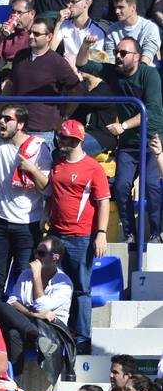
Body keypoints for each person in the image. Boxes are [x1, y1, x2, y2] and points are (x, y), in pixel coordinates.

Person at [0, 84, 51, 308]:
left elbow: (48, 188)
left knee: (23, 282)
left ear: (21, 124)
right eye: (0, 118)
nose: (1, 122)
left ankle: (17, 334)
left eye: (8, 119)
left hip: (28, 225)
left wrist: (32, 170)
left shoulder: (40, 148)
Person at [75, 38, 160, 248]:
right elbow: (82, 64)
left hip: (153, 141)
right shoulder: (114, 71)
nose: (118, 57)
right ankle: (130, 233)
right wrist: (85, 45)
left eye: (123, 53)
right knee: (121, 186)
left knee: (152, 185)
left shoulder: (149, 75)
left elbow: (148, 111)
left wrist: (123, 126)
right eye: (116, 52)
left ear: (137, 57)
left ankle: (156, 232)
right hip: (129, 144)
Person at [0, 235, 74, 378]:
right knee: (1, 308)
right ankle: (15, 381)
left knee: (13, 331)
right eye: (36, 252)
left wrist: (36, 275)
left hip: (51, 331)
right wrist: (34, 315)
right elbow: (12, 301)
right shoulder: (26, 274)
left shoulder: (64, 283)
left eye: (41, 253)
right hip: (31, 327)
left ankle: (14, 381)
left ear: (55, 258)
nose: (36, 257)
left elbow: (42, 307)